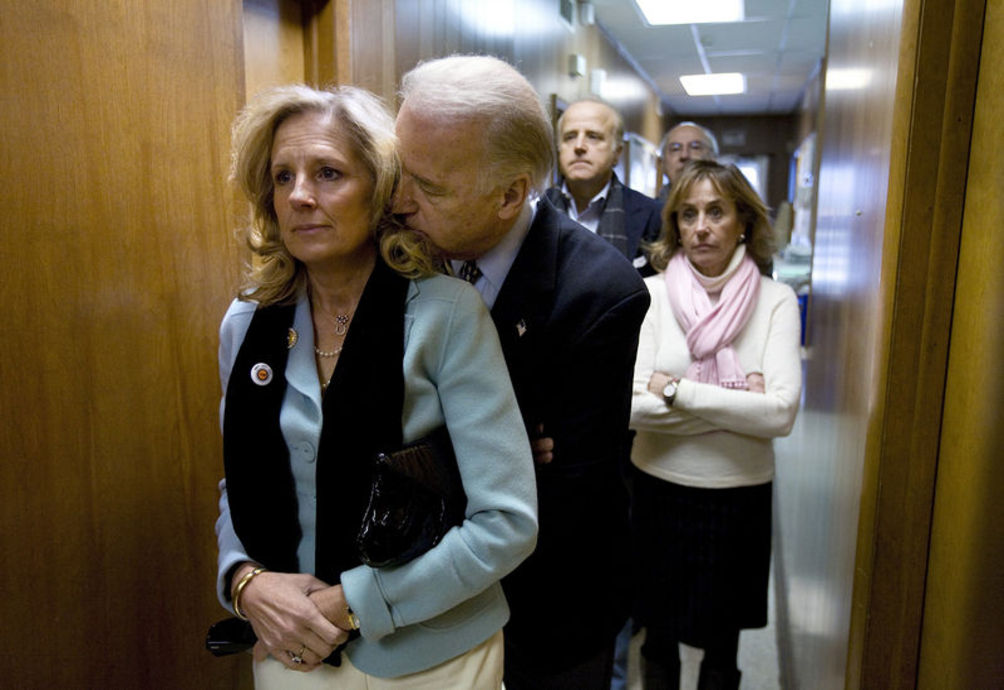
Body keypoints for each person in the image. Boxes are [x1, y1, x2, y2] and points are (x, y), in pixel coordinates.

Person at [213, 83, 538, 689]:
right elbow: (242, 481)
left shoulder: (444, 315)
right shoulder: (245, 323)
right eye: (283, 178)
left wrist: (354, 601)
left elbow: (507, 523)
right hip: (291, 648)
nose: (301, 196)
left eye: (328, 173)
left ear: (381, 188)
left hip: (433, 653)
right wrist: (245, 582)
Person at [392, 55, 651, 690]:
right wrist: (491, 451)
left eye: (429, 186)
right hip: (411, 606)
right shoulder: (394, 249)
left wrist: (418, 455)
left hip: (549, 608)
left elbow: (559, 490)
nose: (399, 202)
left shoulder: (599, 292)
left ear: (511, 194)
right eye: (399, 172)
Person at [629, 160, 802, 690]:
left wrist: (677, 391)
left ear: (744, 221)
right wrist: (735, 407)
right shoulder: (650, 294)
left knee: (722, 648)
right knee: (658, 638)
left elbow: (780, 413)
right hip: (658, 490)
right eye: (687, 214)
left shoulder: (776, 301)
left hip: (739, 500)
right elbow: (631, 407)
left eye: (716, 212)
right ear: (675, 225)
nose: (700, 226)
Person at [543, 98, 662, 275]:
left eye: (593, 136)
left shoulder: (652, 215)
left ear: (617, 153)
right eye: (570, 137)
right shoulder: (535, 209)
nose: (579, 146)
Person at [657, 122, 718, 202]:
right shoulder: (647, 213)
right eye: (675, 149)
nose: (684, 155)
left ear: (713, 159)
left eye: (695, 147)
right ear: (662, 163)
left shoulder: (733, 209)